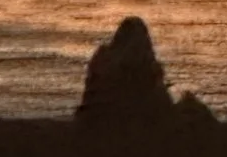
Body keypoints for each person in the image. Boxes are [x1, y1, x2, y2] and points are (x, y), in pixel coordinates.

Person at [75, 13, 215, 129]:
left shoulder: (102, 56)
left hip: (92, 114)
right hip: (124, 118)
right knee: (190, 106)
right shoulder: (139, 63)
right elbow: (151, 100)